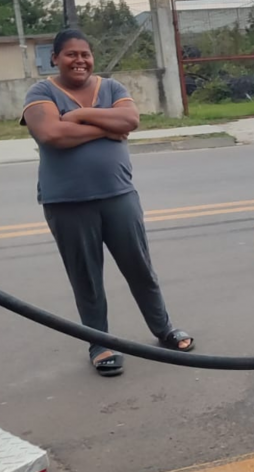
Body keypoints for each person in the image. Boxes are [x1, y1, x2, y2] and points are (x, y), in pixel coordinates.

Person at [20, 29, 194, 377]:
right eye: (71, 54)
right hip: (67, 202)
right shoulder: (41, 92)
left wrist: (78, 117)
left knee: (140, 269)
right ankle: (100, 344)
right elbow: (53, 135)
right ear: (54, 58)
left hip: (119, 196)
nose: (80, 60)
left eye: (85, 54)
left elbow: (130, 120)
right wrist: (106, 126)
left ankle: (164, 330)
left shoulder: (112, 88)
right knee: (86, 277)